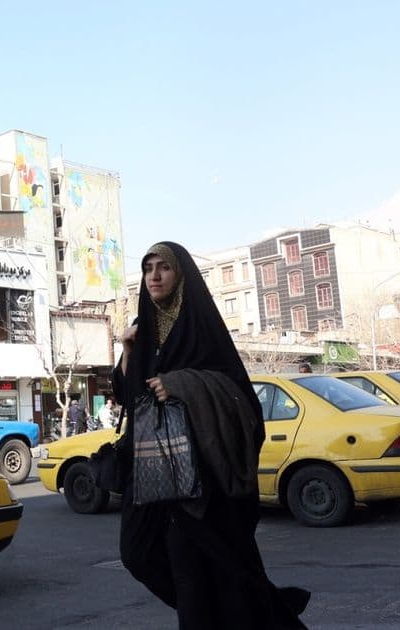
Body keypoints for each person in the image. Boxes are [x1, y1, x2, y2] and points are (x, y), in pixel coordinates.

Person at [115, 242, 308, 629]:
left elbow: (241, 399)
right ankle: (258, 610)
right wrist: (127, 350)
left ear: (181, 274)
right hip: (151, 471)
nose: (153, 276)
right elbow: (126, 394)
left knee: (199, 574)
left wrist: (182, 385)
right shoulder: (145, 332)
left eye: (164, 268)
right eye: (148, 268)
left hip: (200, 479)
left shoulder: (201, 329)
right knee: (138, 555)